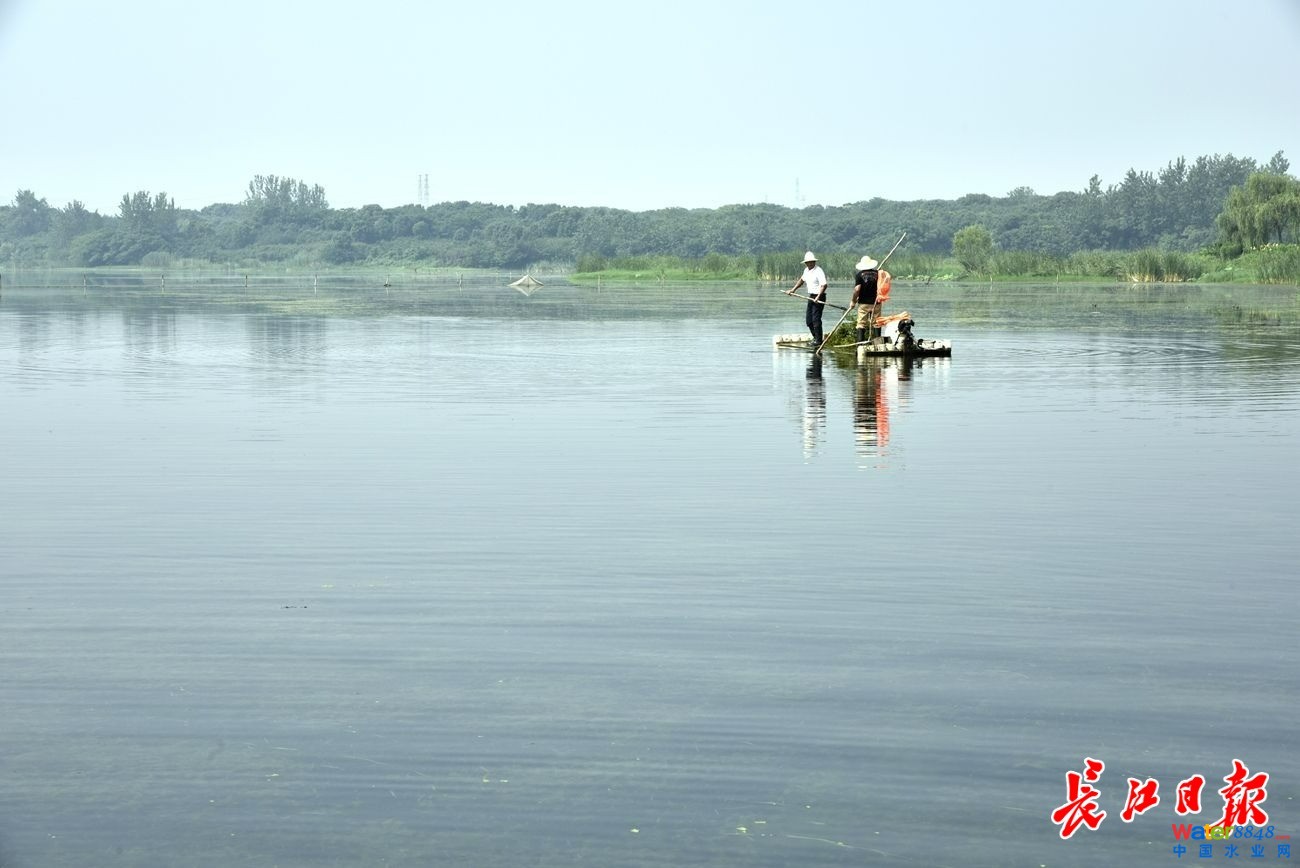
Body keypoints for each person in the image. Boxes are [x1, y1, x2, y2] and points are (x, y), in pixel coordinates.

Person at [787, 251, 828, 346]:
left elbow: (824, 285)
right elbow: (801, 280)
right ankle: (816, 337)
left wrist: (818, 297)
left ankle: (818, 341)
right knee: (809, 320)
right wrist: (793, 290)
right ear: (806, 263)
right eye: (808, 262)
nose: (810, 264)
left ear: (814, 262)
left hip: (819, 297)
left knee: (816, 319)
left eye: (811, 262)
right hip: (811, 297)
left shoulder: (818, 271)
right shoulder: (806, 271)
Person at [851, 255, 880, 344]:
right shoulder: (878, 274)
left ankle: (860, 344)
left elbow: (857, 289)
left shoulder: (859, 275)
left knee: (861, 323)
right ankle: (878, 344)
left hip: (863, 303)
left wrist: (853, 301)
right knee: (876, 323)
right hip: (876, 302)